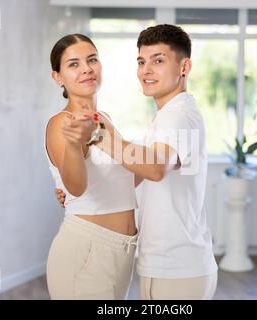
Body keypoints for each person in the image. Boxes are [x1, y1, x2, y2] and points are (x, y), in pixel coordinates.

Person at [56, 24, 218, 300]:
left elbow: (155, 168)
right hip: (172, 264)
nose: (146, 70)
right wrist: (83, 191)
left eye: (158, 61)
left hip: (176, 267)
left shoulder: (177, 115)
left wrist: (99, 136)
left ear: (184, 67)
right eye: (142, 62)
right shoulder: (169, 115)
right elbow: (138, 172)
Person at [45, 34, 138, 300]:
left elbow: (132, 176)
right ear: (58, 77)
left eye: (92, 60)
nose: (87, 68)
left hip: (122, 251)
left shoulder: (105, 119)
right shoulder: (61, 124)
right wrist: (76, 145)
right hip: (86, 250)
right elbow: (76, 187)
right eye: (74, 64)